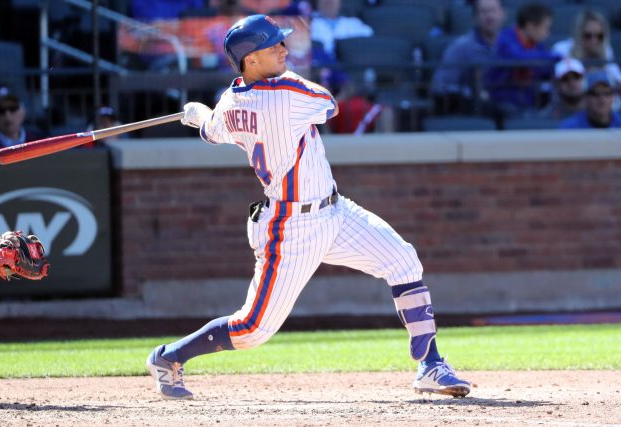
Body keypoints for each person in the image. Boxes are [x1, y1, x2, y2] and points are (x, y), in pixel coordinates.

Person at [146, 14, 472, 400]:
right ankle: (168, 357)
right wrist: (211, 115)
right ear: (250, 60)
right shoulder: (285, 93)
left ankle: (430, 365)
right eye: (273, 46)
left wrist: (200, 115)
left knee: (403, 261)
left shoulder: (231, 101)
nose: (285, 49)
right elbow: (329, 104)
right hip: (291, 226)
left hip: (335, 211)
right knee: (253, 330)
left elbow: (214, 130)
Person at [431, 0, 506, 114]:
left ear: (502, 14)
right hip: (473, 107)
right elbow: (440, 86)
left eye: (493, 10)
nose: (490, 16)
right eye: (484, 12)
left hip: (507, 105)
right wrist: (468, 93)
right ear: (475, 17)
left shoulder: (513, 46)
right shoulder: (461, 47)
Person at [483, 2, 558, 117]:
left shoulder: (536, 44)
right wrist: (558, 57)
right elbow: (520, 58)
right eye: (545, 28)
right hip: (502, 100)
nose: (547, 33)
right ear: (530, 26)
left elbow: (545, 68)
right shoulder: (506, 39)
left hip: (527, 101)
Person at [551, 9, 621, 109]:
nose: (594, 40)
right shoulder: (562, 49)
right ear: (578, 34)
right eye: (588, 36)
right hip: (568, 105)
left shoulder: (606, 51)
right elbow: (562, 81)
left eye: (599, 36)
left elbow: (617, 78)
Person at [310, 0, 373, 66]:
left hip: (351, 71)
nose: (329, 1)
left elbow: (370, 40)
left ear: (340, 2)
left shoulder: (354, 23)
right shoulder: (306, 24)